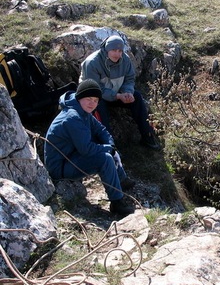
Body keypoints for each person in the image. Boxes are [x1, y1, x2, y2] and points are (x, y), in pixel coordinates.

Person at [44, 79, 136, 215]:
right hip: (61, 166)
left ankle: (120, 180)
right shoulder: (73, 117)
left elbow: (101, 130)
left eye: (95, 100)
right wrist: (108, 150)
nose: (92, 103)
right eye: (88, 99)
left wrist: (110, 146)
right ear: (80, 97)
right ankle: (117, 203)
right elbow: (86, 149)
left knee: (107, 151)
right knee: (105, 159)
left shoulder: (82, 111)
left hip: (72, 155)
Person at [79, 35, 160, 150]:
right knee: (98, 105)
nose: (117, 54)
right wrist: (117, 96)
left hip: (117, 94)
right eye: (113, 50)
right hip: (96, 97)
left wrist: (127, 92)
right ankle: (109, 146)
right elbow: (94, 89)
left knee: (136, 97)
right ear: (106, 49)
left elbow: (130, 79)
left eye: (120, 51)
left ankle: (148, 136)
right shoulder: (92, 63)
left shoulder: (125, 60)